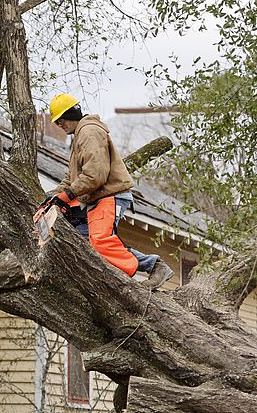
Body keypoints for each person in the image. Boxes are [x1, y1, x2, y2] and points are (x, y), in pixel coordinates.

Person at [46, 93, 173, 290]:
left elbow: (95, 175)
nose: (59, 125)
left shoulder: (88, 132)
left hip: (108, 196)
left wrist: (69, 195)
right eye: (56, 123)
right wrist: (54, 197)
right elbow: (71, 178)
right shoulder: (80, 135)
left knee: (100, 242)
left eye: (61, 120)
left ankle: (154, 266)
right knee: (86, 239)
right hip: (95, 198)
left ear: (71, 114)